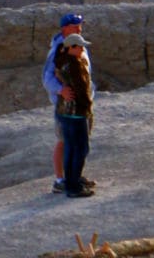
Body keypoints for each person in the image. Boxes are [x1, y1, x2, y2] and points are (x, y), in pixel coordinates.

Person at [43, 11, 96, 194]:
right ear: (65, 28)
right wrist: (61, 90)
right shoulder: (60, 49)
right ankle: (62, 180)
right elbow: (47, 77)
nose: (79, 28)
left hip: (81, 106)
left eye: (80, 25)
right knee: (67, 142)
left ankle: (73, 177)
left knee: (77, 143)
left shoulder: (76, 42)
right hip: (70, 107)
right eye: (75, 26)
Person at [53, 34, 96, 198]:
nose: (82, 49)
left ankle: (71, 182)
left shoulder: (61, 62)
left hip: (65, 112)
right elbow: (80, 90)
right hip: (77, 113)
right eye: (79, 46)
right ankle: (74, 186)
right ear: (71, 48)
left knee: (70, 148)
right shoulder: (74, 65)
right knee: (81, 148)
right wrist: (87, 106)